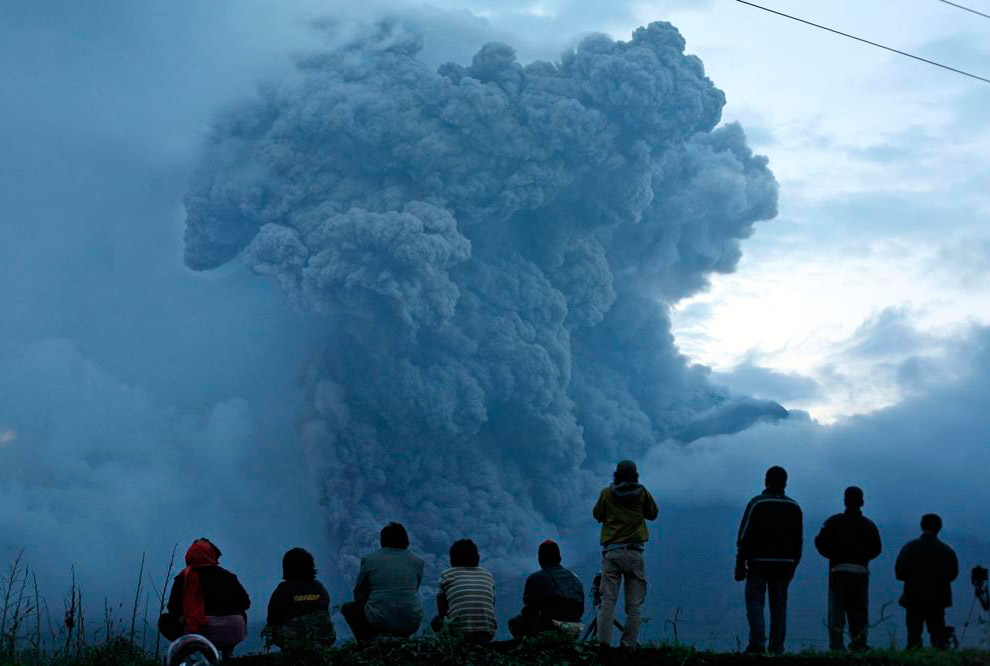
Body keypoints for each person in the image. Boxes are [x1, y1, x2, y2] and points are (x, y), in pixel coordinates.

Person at [735, 466, 803, 655]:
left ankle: (757, 644)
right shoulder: (794, 506)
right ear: (785, 483)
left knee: (755, 601)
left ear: (766, 481)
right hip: (785, 563)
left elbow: (744, 536)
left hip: (758, 562)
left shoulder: (757, 503)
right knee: (779, 605)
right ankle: (776, 648)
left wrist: (740, 563)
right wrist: (794, 564)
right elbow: (799, 540)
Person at [592, 459, 659, 647]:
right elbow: (653, 514)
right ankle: (628, 645)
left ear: (616, 475)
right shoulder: (642, 493)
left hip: (612, 553)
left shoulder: (607, 493)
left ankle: (603, 645)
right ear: (635, 475)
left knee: (607, 601)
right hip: (634, 554)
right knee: (634, 604)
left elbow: (597, 515)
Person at [814, 486, 882, 651]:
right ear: (862, 502)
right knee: (859, 611)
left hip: (839, 570)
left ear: (845, 501)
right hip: (861, 571)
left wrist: (834, 555)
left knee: (837, 611)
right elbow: (877, 549)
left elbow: (819, 542)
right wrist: (862, 557)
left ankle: (837, 646)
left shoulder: (833, 522)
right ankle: (859, 643)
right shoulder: (869, 525)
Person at [160, 538, 251, 658]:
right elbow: (245, 603)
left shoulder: (183, 578)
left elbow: (173, 608)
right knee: (241, 614)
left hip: (198, 633)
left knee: (166, 621)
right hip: (232, 631)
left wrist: (185, 615)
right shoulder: (228, 576)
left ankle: (191, 653)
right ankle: (228, 653)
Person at [341, 522, 424, 641]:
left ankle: (366, 644)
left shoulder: (369, 560)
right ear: (406, 539)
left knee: (349, 608)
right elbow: (414, 589)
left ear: (382, 540)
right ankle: (403, 642)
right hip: (411, 622)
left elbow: (359, 595)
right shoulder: (418, 562)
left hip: (379, 622)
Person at [895, 513, 959, 649]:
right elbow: (953, 574)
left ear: (921, 526)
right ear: (939, 527)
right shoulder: (947, 550)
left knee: (913, 635)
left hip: (913, 597)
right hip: (937, 599)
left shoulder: (910, 547)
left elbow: (900, 572)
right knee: (937, 635)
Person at [508, 540, 584, 639]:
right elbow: (580, 609)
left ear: (540, 560)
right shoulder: (575, 578)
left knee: (515, 623)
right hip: (576, 628)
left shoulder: (536, 578)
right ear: (559, 559)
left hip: (552, 627)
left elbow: (529, 610)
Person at [264, 547, 336, 650]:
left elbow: (272, 617)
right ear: (310, 566)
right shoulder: (318, 587)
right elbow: (325, 607)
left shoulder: (283, 589)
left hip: (293, 640)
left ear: (286, 567)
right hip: (322, 637)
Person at [430, 539, 497, 643]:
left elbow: (442, 611)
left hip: (459, 635)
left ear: (452, 560)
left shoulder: (446, 575)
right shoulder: (488, 575)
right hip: (486, 634)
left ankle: (448, 647)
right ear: (477, 558)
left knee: (436, 621)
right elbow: (491, 603)